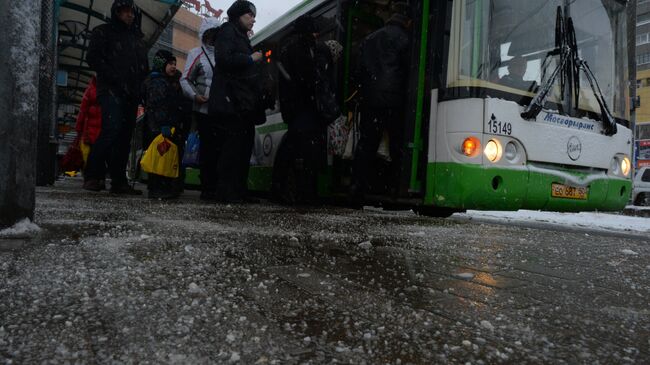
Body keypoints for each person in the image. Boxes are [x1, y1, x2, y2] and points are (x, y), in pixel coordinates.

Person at [273, 15, 342, 204]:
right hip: (306, 110)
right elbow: (309, 79)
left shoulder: (289, 48)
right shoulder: (304, 49)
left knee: (293, 152)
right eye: (314, 31)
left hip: (295, 110)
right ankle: (307, 194)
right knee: (307, 155)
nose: (316, 34)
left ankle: (284, 189)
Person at [84, 0, 148, 194]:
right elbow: (93, 58)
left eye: (131, 12)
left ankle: (119, 181)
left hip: (132, 92)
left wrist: (141, 87)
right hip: (111, 89)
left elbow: (143, 67)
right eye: (125, 11)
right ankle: (93, 176)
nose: (129, 15)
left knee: (124, 136)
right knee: (111, 129)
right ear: (117, 12)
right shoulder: (103, 32)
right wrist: (114, 77)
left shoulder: (136, 38)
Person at [351, 3, 411, 202]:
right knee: (396, 146)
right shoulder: (405, 39)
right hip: (394, 101)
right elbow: (408, 71)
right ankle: (394, 190)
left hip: (371, 100)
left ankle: (357, 189)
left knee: (367, 145)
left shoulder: (370, 39)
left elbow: (358, 70)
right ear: (406, 23)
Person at [208, 0, 267, 204]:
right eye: (249, 15)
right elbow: (224, 59)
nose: (253, 19)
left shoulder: (241, 36)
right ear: (238, 15)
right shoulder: (227, 31)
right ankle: (226, 191)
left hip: (242, 104)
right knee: (232, 149)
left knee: (243, 147)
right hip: (230, 101)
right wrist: (251, 59)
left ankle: (240, 190)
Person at [181, 17, 222, 201]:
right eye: (210, 34)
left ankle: (217, 185)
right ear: (204, 35)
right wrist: (195, 96)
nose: (213, 38)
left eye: (216, 34)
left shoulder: (224, 53)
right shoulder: (195, 53)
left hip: (221, 109)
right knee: (208, 148)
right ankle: (207, 186)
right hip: (203, 109)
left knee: (219, 148)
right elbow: (185, 79)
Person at [142, 50, 184, 200]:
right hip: (159, 128)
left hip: (161, 127)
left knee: (163, 157)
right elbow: (159, 105)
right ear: (162, 64)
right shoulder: (158, 82)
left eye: (175, 64)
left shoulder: (163, 80)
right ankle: (157, 189)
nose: (174, 67)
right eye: (170, 64)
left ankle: (161, 188)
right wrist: (163, 125)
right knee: (160, 158)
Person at [75, 76, 102, 174]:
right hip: (98, 129)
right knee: (99, 153)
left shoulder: (90, 90)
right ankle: (97, 176)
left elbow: (83, 111)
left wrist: (79, 129)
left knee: (91, 154)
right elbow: (83, 111)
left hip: (91, 129)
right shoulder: (107, 90)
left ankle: (91, 176)